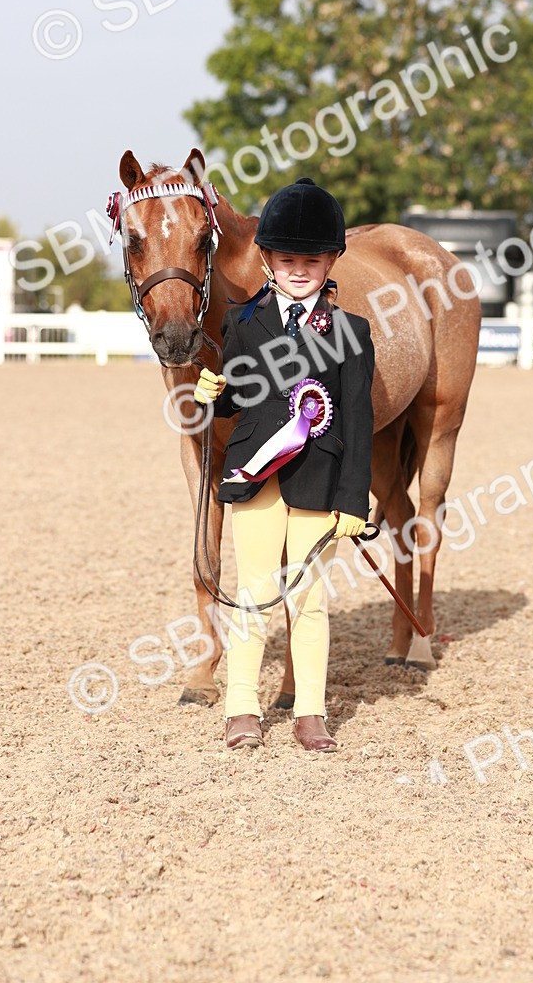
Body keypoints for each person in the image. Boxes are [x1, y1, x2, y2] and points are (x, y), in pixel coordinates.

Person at [194, 176, 375, 753]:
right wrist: (215, 392)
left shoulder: (353, 333)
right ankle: (241, 706)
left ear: (330, 262)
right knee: (252, 591)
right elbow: (240, 395)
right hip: (256, 472)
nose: (300, 269)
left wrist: (353, 501)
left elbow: (359, 420)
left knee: (310, 597)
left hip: (321, 477)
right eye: (288, 258)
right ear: (269, 258)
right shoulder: (243, 323)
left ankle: (311, 711)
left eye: (312, 259)